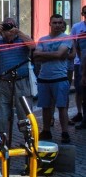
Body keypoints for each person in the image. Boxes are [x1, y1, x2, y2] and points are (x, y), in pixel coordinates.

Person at [0, 17, 35, 145]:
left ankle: (29, 140)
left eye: (11, 26)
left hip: (21, 82)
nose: (8, 30)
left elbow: (33, 46)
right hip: (3, 82)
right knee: (1, 115)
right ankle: (1, 142)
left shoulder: (22, 39)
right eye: (6, 27)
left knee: (24, 113)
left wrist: (18, 32)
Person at [33, 14, 72, 144]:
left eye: (59, 23)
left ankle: (65, 132)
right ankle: (46, 131)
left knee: (62, 107)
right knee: (45, 107)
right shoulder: (43, 39)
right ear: (50, 24)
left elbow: (60, 53)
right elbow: (36, 56)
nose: (57, 25)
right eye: (54, 23)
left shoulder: (67, 38)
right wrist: (54, 56)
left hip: (60, 77)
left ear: (62, 24)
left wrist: (44, 55)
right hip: (44, 77)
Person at [73, 6, 86, 129]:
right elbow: (74, 45)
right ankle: (80, 113)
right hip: (80, 63)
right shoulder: (77, 27)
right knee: (80, 90)